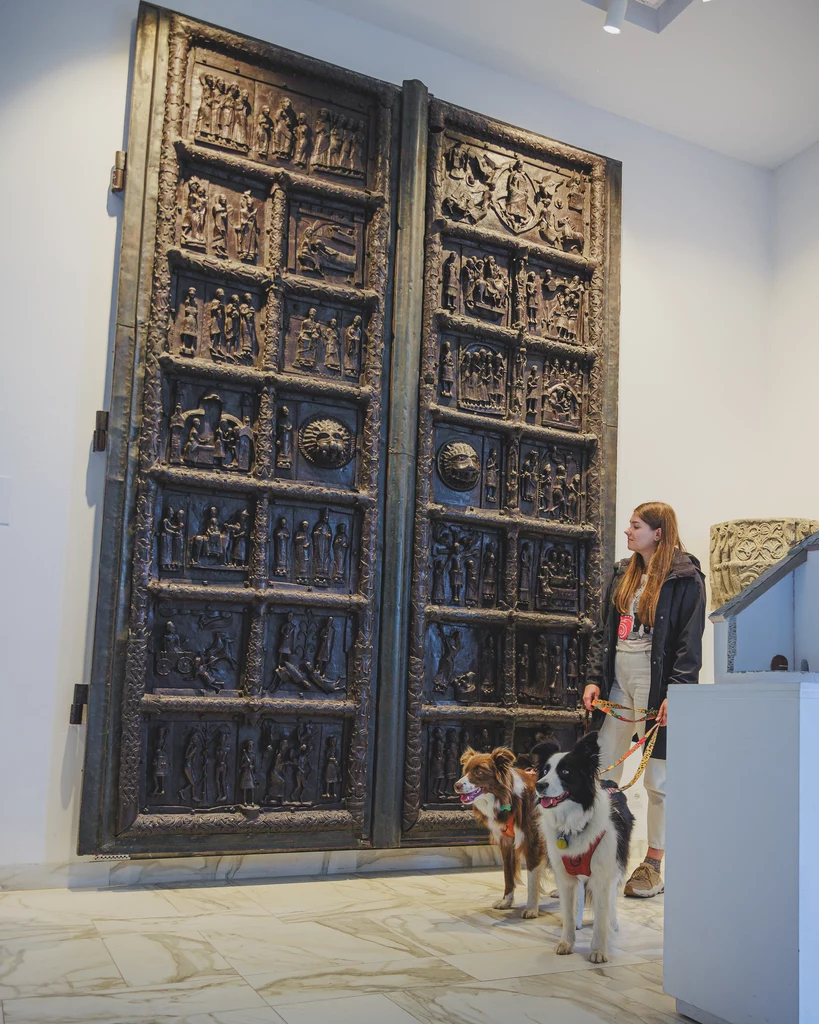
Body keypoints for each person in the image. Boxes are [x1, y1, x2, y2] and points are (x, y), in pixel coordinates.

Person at [584, 501, 705, 898]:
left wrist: (678, 691)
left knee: (658, 780)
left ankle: (653, 865)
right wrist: (593, 679)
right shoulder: (624, 572)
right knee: (601, 770)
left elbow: (689, 643)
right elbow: (604, 633)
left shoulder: (685, 576)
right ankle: (594, 858)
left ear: (658, 532)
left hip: (656, 685)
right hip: (618, 682)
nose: (627, 532)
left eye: (635, 526)